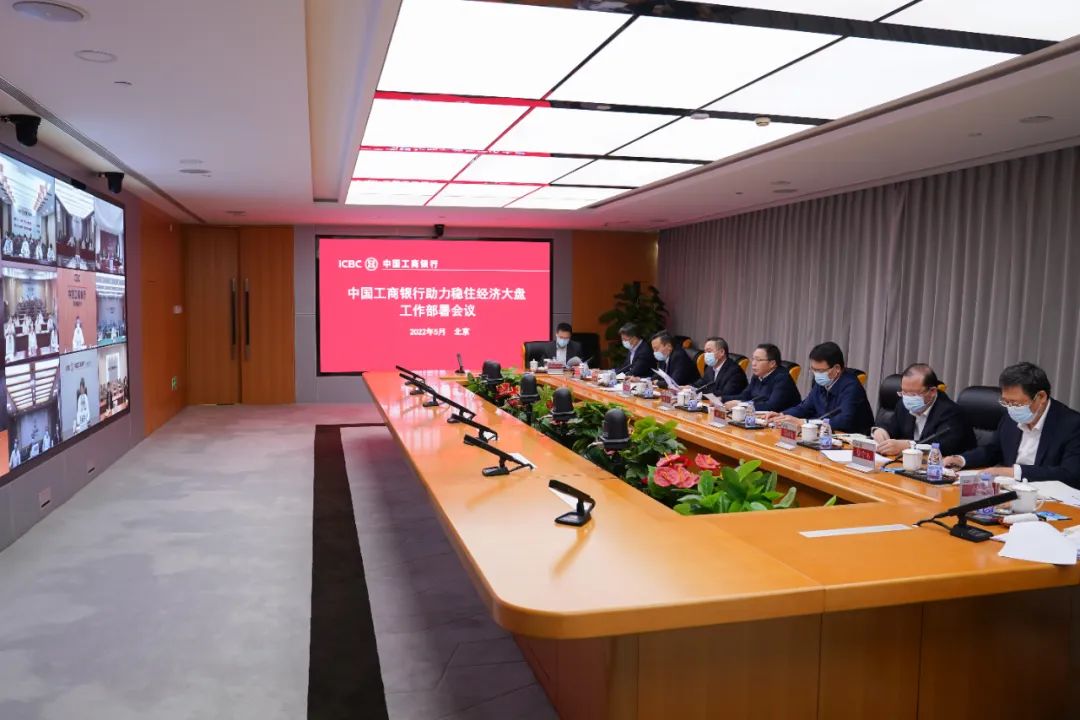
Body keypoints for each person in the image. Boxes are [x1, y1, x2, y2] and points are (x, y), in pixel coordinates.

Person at [944, 362, 1080, 486]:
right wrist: (961, 460)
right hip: (1009, 490)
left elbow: (1070, 474)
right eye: (1006, 402)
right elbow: (993, 450)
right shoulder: (1010, 417)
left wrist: (1014, 472)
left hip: (1049, 496)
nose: (1011, 408)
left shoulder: (1072, 425)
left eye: (1016, 403)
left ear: (1041, 397)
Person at [872, 363, 976, 457]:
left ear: (932, 391)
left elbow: (943, 446)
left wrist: (909, 446)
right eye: (904, 392)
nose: (908, 398)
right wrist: (881, 431)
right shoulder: (903, 405)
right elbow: (892, 426)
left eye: (913, 394)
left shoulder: (952, 412)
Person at [770, 341, 874, 434]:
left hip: (852, 440)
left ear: (837, 368)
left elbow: (843, 421)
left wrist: (804, 423)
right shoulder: (821, 383)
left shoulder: (852, 387)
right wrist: (781, 416)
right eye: (813, 369)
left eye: (820, 371)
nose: (816, 374)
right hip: (825, 435)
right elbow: (805, 407)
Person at [722, 343, 801, 411]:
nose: (753, 363)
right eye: (753, 359)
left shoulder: (783, 379)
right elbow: (744, 396)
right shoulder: (757, 375)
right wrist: (721, 399)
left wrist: (741, 404)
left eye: (758, 360)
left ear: (772, 364)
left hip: (782, 420)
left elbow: (771, 406)